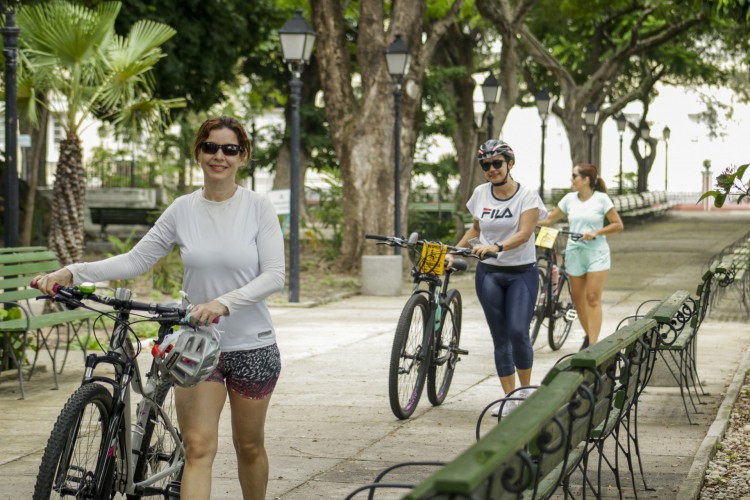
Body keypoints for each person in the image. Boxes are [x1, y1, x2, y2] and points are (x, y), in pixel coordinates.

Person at [32, 115, 285, 500]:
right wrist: (72, 271)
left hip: (252, 346)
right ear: (199, 152)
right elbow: (136, 259)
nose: (219, 156)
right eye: (211, 147)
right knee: (198, 448)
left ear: (243, 156)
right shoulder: (183, 209)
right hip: (197, 349)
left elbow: (274, 276)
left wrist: (223, 303)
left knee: (248, 447)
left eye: (229, 149)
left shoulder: (257, 208)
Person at [447, 139, 547, 416]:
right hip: (489, 273)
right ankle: (509, 398)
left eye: (497, 163)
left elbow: (525, 233)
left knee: (518, 331)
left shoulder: (527, 196)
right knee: (500, 336)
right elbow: (476, 229)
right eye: (486, 165)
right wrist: (454, 251)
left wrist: (496, 247)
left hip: (521, 273)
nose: (491, 169)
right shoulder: (480, 194)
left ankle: (525, 391)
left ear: (510, 164)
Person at [539, 163, 624, 350]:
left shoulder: (601, 199)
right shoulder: (569, 199)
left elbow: (617, 224)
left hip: (596, 253)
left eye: (574, 176)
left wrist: (597, 232)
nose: (571, 179)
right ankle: (589, 335)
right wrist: (527, 224)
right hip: (575, 252)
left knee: (592, 297)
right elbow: (549, 220)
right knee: (578, 300)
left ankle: (592, 344)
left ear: (586, 180)